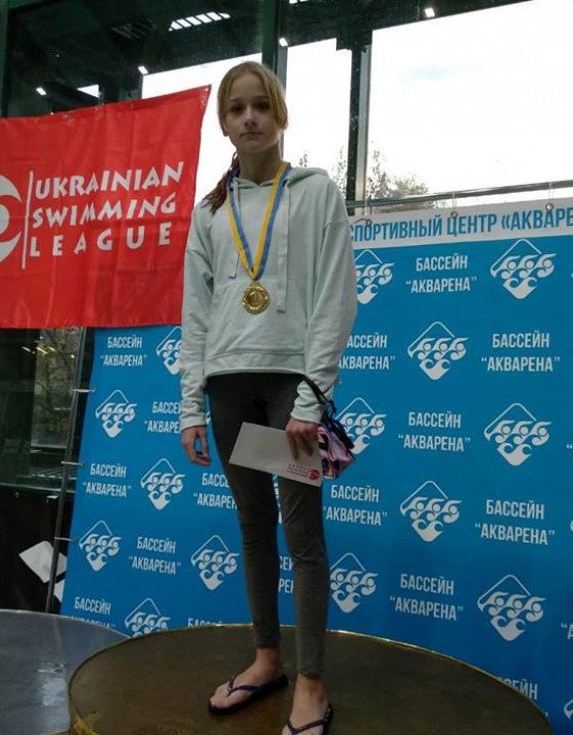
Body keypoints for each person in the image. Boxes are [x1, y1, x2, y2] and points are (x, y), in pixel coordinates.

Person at [179, 60, 356, 735]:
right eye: (236, 108)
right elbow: (196, 314)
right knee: (253, 528)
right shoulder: (211, 211)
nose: (249, 117)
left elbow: (335, 298)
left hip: (289, 388)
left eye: (260, 105)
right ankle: (266, 660)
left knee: (302, 536)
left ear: (280, 114)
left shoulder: (314, 193)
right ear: (223, 124)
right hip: (229, 387)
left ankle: (311, 684)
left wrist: (311, 397)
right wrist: (190, 405)